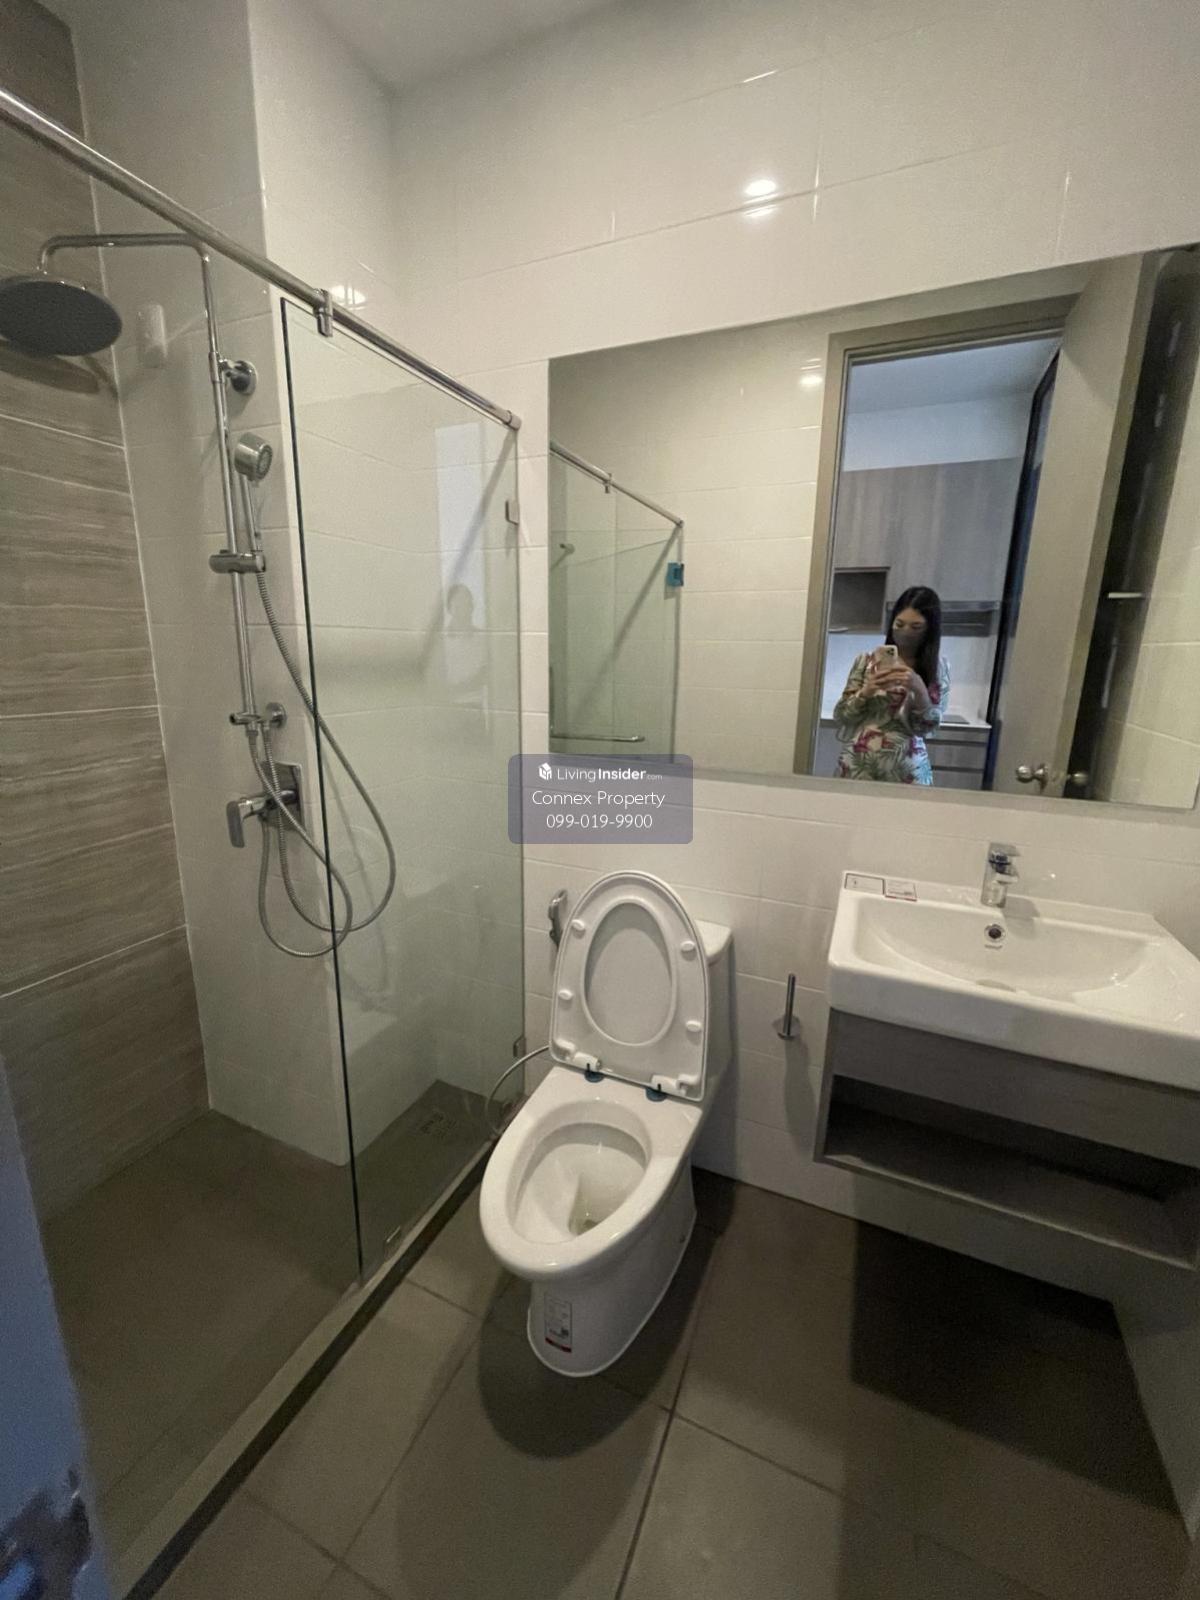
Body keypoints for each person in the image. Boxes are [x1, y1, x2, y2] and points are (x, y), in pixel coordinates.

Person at [833, 585, 949, 784]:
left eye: (916, 627)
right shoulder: (865, 662)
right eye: (899, 624)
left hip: (907, 771)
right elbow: (842, 716)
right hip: (859, 766)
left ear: (929, 629)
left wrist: (920, 690)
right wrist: (866, 692)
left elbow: (929, 729)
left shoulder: (938, 668)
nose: (905, 632)